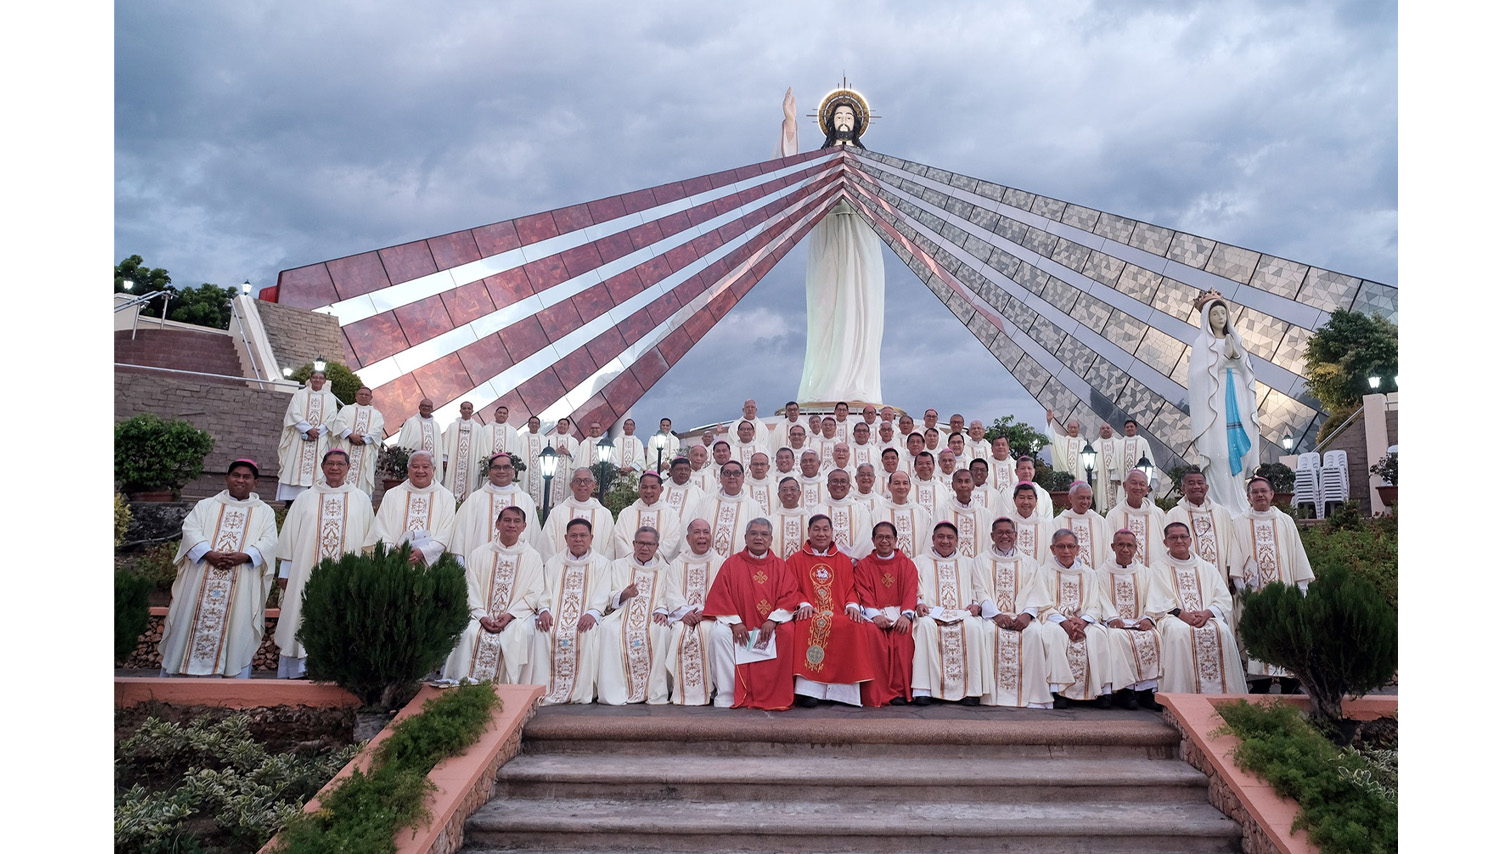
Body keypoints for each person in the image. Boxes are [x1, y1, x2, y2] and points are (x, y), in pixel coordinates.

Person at [786, 86, 884, 405]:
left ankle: (859, 384)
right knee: (826, 303)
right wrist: (790, 126)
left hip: (860, 233)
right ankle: (825, 382)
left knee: (861, 303)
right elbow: (790, 177)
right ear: (829, 123)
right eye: (838, 115)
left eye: (848, 115)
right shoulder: (821, 160)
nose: (843, 119)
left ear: (857, 122)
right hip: (828, 230)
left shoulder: (869, 162)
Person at [159, 460, 278, 677]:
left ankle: (231, 675)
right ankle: (180, 675)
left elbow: (269, 541)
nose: (240, 480)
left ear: (256, 482)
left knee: (236, 627)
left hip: (241, 578)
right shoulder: (206, 505)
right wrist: (208, 553)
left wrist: (244, 556)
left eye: (246, 477)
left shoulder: (265, 512)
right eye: (236, 475)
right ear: (227, 478)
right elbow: (191, 530)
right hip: (201, 575)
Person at [272, 449, 374, 678]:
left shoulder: (361, 499)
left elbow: (369, 541)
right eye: (330, 463)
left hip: (348, 575)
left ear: (348, 468)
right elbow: (290, 537)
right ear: (322, 466)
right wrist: (285, 572)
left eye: (340, 464)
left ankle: (342, 666)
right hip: (306, 573)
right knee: (303, 613)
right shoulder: (305, 498)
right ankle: (301, 668)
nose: (335, 468)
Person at [703, 518, 801, 710]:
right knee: (718, 634)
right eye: (754, 533)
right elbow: (720, 596)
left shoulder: (780, 566)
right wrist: (735, 623)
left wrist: (773, 620)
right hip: (739, 623)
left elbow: (790, 595)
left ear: (771, 539)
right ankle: (729, 694)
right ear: (745, 538)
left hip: (771, 626)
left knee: (788, 632)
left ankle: (775, 692)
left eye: (764, 534)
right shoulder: (731, 564)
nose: (758, 538)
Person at [441, 506, 545, 684]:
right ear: (497, 524)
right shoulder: (479, 553)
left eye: (516, 521)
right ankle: (461, 686)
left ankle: (510, 690)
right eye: (507, 520)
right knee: (467, 633)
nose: (511, 525)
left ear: (524, 526)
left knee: (522, 634)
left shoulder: (532, 557)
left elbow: (534, 592)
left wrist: (509, 615)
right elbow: (469, 587)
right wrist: (481, 615)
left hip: (515, 617)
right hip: (479, 615)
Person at [1232, 476, 1314, 689]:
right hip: (1254, 593)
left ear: (1271, 494)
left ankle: (1290, 683)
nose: (1260, 495)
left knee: (1286, 634)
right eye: (1255, 492)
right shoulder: (1239, 522)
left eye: (1263, 491)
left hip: (1284, 591)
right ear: (1248, 497)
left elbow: (1297, 552)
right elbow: (1235, 555)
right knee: (1257, 634)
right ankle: (1260, 682)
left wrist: (1301, 588)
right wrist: (1243, 590)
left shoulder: (1285, 520)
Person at [788, 515, 877, 707]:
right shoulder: (795, 560)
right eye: (817, 529)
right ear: (809, 532)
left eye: (825, 529)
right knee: (806, 623)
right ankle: (809, 691)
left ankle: (842, 692)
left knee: (853, 625)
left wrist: (852, 605)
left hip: (837, 610)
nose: (821, 534)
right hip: (810, 611)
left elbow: (851, 589)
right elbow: (791, 589)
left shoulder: (843, 560)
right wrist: (803, 604)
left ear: (832, 532)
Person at [1151, 522, 1246, 695]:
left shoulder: (1207, 567)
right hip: (1173, 617)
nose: (1179, 541)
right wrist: (1181, 614)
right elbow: (1156, 598)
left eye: (1183, 537)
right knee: (1177, 632)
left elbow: (1223, 597)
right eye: (1173, 537)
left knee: (1222, 631)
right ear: (1165, 542)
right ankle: (1180, 695)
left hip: (1206, 616)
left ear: (1190, 540)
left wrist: (1207, 613)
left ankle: (1225, 696)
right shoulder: (1157, 568)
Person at [1188, 291, 1261, 511]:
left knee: (1241, 449)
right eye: (1215, 313)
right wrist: (1223, 360)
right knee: (1221, 453)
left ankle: (1239, 498)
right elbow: (1197, 377)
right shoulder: (1202, 343)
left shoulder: (1236, 340)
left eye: (1223, 312)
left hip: (1237, 395)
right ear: (1207, 318)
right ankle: (1222, 505)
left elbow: (1248, 373)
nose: (1220, 317)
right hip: (1216, 398)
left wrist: (1236, 357)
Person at [971, 517, 1054, 709]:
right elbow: (980, 590)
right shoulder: (981, 560)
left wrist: (1027, 615)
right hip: (993, 616)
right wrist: (996, 615)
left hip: (1022, 616)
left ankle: (1032, 695)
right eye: (999, 532)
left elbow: (1037, 592)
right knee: (988, 633)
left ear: (1016, 535)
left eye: (1008, 532)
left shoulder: (1030, 563)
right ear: (992, 536)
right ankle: (990, 696)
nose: (1004, 536)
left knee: (1034, 633)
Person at [530, 518, 612, 704]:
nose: (578, 539)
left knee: (588, 634)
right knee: (542, 632)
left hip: (586, 616)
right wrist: (543, 610)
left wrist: (592, 613)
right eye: (573, 536)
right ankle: (546, 688)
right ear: (566, 538)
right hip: (555, 615)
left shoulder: (602, 563)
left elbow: (603, 592)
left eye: (583, 535)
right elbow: (544, 590)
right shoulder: (553, 563)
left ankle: (581, 691)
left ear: (591, 538)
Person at [910, 522, 985, 705]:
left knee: (974, 627)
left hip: (962, 613)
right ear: (933, 539)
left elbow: (978, 588)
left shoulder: (969, 562)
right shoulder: (919, 561)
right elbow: (913, 588)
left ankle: (971, 691)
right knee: (925, 626)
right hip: (931, 613)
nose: (945, 541)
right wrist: (919, 603)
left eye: (950, 537)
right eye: (941, 537)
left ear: (957, 540)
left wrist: (976, 605)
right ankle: (923, 690)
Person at [1041, 529, 1117, 709]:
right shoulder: (1044, 572)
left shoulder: (1089, 573)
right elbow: (1042, 603)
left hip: (1083, 620)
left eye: (1070, 546)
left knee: (1099, 634)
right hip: (1056, 620)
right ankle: (1059, 691)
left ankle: (1102, 692)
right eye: (1061, 546)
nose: (1066, 551)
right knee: (1053, 635)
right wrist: (1064, 622)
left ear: (1077, 549)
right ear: (1052, 549)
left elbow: (1095, 604)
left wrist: (1083, 621)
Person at [598, 526, 674, 705]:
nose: (644, 548)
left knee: (660, 630)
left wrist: (662, 610)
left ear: (657, 546)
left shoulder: (666, 569)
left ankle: (655, 690)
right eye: (640, 543)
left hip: (653, 615)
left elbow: (668, 595)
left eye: (649, 544)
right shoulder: (618, 565)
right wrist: (622, 595)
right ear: (633, 544)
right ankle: (615, 690)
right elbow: (608, 592)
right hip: (622, 613)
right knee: (608, 629)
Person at [853, 522, 919, 706]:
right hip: (873, 615)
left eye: (888, 537)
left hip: (899, 613)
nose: (884, 541)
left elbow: (910, 591)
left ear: (896, 540)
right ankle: (877, 692)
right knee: (873, 636)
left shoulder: (906, 564)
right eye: (880, 537)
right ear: (873, 540)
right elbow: (862, 591)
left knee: (904, 636)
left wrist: (906, 616)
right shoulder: (864, 565)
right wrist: (875, 616)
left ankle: (899, 691)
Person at [1097, 530, 1163, 710]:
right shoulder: (1101, 573)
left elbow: (1154, 597)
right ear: (1113, 547)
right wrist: (1111, 617)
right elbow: (1100, 597)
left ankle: (1147, 692)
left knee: (1154, 637)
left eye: (1130, 545)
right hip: (1115, 623)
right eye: (1121, 545)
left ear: (1136, 548)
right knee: (1115, 637)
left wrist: (1148, 617)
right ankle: (1125, 692)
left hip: (1140, 621)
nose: (1125, 549)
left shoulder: (1146, 573)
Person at [663, 519, 726, 705]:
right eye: (697, 533)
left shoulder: (721, 562)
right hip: (684, 616)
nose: (702, 537)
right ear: (688, 538)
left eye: (706, 533)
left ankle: (710, 689)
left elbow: (724, 591)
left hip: (710, 615)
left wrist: (707, 611)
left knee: (707, 631)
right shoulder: (677, 563)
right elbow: (671, 590)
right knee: (678, 632)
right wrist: (684, 612)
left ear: (711, 537)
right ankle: (679, 688)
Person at [450, 453, 542, 564]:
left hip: (518, 566)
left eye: (506, 467)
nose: (501, 471)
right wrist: (460, 563)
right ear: (489, 471)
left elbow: (535, 537)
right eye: (496, 467)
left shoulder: (525, 500)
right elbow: (460, 533)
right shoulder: (475, 499)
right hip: (479, 566)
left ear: (513, 471)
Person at [368, 450, 456, 566]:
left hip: (431, 566)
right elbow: (381, 528)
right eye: (415, 467)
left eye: (425, 467)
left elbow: (446, 532)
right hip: (395, 562)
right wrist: (395, 553)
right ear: (408, 469)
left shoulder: (446, 497)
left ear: (433, 470)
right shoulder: (392, 494)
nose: (420, 471)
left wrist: (424, 552)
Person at [276, 370, 341, 501]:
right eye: (315, 377)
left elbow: (332, 418)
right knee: (295, 465)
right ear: (310, 379)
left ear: (324, 381)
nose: (317, 380)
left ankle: (316, 497)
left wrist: (317, 431)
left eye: (320, 378)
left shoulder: (329, 398)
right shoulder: (299, 394)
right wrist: (307, 429)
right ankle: (291, 499)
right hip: (299, 437)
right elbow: (293, 413)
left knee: (318, 466)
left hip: (320, 438)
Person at [1165, 469, 1243, 580]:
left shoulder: (1221, 512)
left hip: (1219, 574)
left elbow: (1231, 544)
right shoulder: (1174, 514)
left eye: (1200, 483)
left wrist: (1232, 574)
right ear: (1183, 489)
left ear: (1206, 487)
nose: (1196, 486)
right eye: (1191, 483)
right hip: (1186, 575)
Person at [691, 461, 765, 559]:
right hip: (707, 562)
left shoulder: (753, 506)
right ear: (720, 478)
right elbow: (692, 531)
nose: (732, 477)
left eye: (736, 473)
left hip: (741, 563)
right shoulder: (705, 502)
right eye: (727, 473)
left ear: (743, 478)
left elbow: (762, 538)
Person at [540, 467, 615, 557]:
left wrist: (602, 566)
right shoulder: (557, 512)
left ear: (593, 485)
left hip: (595, 568)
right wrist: (555, 566)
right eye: (577, 481)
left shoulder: (604, 514)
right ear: (571, 485)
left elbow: (610, 546)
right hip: (562, 567)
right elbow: (547, 543)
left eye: (587, 481)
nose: (582, 484)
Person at [611, 471, 684, 562]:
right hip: (630, 565)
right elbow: (619, 538)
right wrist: (633, 559)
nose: (648, 491)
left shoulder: (671, 514)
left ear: (661, 489)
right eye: (644, 487)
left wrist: (654, 559)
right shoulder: (626, 513)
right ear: (639, 488)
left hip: (659, 566)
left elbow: (672, 539)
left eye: (653, 487)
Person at [1102, 470, 1166, 566]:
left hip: (1154, 571)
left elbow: (1166, 543)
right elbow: (1108, 547)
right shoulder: (1113, 515)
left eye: (1142, 484)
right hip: (1124, 574)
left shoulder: (1157, 513)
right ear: (1125, 486)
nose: (1138, 487)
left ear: (1147, 489)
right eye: (1133, 483)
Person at [333, 385, 383, 495]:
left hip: (365, 452)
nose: (364, 396)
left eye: (366, 395)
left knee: (363, 478)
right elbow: (339, 423)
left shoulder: (376, 414)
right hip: (346, 446)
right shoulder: (346, 409)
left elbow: (378, 430)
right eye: (361, 394)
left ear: (371, 398)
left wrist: (363, 439)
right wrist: (351, 435)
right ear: (356, 396)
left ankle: (361, 500)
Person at [874, 470, 933, 558]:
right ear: (889, 486)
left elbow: (928, 541)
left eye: (905, 483)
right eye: (897, 483)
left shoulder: (921, 512)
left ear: (910, 486)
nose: (901, 487)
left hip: (916, 565)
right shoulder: (878, 512)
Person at [1054, 481, 1112, 568]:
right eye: (1081, 498)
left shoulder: (1100, 521)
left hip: (1095, 576)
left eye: (1088, 498)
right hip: (1067, 576)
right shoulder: (1059, 522)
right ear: (1070, 498)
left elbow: (1109, 551)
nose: (1085, 502)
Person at [819, 469, 872, 557]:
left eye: (843, 481)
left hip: (854, 562)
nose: (839, 484)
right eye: (834, 481)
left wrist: (854, 557)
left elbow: (865, 536)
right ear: (828, 486)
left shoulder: (860, 508)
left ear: (849, 486)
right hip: (826, 560)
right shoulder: (818, 509)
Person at [940, 469, 992, 558]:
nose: (963, 485)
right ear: (953, 485)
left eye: (967, 481)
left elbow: (988, 544)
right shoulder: (943, 510)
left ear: (973, 485)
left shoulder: (985, 514)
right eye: (959, 481)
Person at [441, 401, 485, 501]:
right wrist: (445, 459)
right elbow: (447, 442)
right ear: (460, 410)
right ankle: (451, 503)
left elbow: (481, 447)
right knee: (451, 483)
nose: (466, 410)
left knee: (470, 485)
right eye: (464, 408)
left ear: (472, 411)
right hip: (453, 463)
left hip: (470, 464)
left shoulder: (478, 428)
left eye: (469, 408)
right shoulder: (452, 426)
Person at [1007, 483, 1053, 564]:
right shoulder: (1006, 523)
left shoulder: (1045, 524)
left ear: (1036, 501)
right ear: (1014, 500)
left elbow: (1050, 554)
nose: (1026, 502)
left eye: (1030, 498)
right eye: (1021, 498)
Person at [770, 477, 810, 558]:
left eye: (792, 489)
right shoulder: (771, 520)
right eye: (784, 490)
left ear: (799, 493)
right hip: (779, 568)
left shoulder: (808, 518)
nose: (788, 493)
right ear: (779, 495)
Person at [1117, 420, 1155, 505]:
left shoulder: (1142, 441)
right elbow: (1115, 460)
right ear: (1124, 429)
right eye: (1127, 427)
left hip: (1140, 481)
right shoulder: (1120, 443)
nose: (1129, 428)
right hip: (1124, 479)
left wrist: (1150, 479)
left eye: (1131, 426)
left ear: (1136, 428)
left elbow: (1150, 459)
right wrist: (1116, 476)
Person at [545, 418, 579, 507]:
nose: (562, 426)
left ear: (568, 427)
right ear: (557, 426)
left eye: (564, 424)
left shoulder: (573, 441)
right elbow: (543, 454)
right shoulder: (548, 439)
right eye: (560, 424)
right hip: (552, 471)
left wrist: (568, 452)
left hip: (566, 472)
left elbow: (578, 457)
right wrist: (555, 452)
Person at [396, 398, 443, 462]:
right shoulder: (411, 422)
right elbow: (402, 441)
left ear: (432, 409)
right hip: (413, 460)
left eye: (429, 406)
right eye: (424, 405)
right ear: (419, 407)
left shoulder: (436, 425)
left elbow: (438, 447)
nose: (426, 408)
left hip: (431, 462)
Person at [1044, 409, 1085, 478]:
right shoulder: (1062, 441)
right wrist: (1049, 422)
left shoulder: (1084, 444)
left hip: (1080, 475)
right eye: (1071, 428)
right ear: (1068, 429)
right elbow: (1050, 435)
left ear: (1078, 429)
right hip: (1065, 475)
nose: (1073, 430)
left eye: (1075, 428)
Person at [519, 415, 550, 507]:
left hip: (539, 471)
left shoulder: (543, 439)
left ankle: (539, 509)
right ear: (528, 425)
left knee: (539, 494)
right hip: (526, 471)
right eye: (532, 423)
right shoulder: (522, 437)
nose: (534, 425)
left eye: (536, 423)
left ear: (539, 425)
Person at [662, 456, 705, 521]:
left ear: (690, 472)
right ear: (671, 471)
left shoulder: (699, 493)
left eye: (686, 469)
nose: (683, 472)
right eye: (679, 469)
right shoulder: (661, 490)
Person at [1091, 423, 1122, 511]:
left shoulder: (1119, 444)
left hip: (1117, 480)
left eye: (1108, 428)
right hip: (1101, 479)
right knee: (1102, 500)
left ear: (1112, 430)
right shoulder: (1094, 445)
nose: (1105, 430)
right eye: (1103, 428)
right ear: (1099, 431)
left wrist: (1118, 475)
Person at [909, 451, 947, 520]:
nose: (925, 466)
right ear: (915, 467)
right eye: (920, 463)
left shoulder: (942, 488)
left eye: (928, 463)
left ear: (934, 466)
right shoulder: (908, 487)